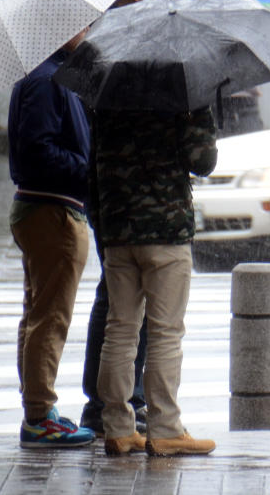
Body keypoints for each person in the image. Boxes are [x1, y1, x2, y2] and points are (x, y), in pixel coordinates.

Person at [79, 0, 171, 438]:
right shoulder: (142, 54)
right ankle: (131, 410)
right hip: (142, 205)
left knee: (116, 310)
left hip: (110, 199)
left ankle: (108, 410)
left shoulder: (101, 52)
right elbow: (198, 153)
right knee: (142, 316)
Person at [93, 103, 218, 454]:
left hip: (118, 229)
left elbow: (95, 163)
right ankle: (164, 429)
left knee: (119, 327)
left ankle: (117, 427)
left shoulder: (109, 93)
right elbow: (203, 160)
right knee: (165, 331)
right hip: (165, 229)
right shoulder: (180, 92)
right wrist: (202, 115)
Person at [8, 29, 96, 448]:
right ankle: (39, 415)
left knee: (38, 313)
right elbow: (38, 150)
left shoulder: (52, 74)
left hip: (46, 207)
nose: (90, 31)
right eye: (85, 24)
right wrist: (86, 169)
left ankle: (38, 407)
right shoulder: (46, 80)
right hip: (52, 209)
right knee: (49, 317)